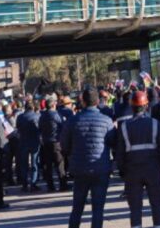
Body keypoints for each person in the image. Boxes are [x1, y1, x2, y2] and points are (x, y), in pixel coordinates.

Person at [62, 88, 116, 228]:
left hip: (80, 169)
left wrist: (72, 156)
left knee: (77, 207)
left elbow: (64, 145)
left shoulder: (73, 121)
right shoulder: (107, 121)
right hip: (100, 168)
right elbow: (113, 142)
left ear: (83, 102)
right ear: (98, 101)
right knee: (98, 209)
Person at [116, 91, 160, 228]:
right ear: (146, 106)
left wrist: (122, 171)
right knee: (157, 205)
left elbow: (120, 153)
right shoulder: (155, 124)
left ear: (132, 106)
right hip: (153, 170)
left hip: (132, 172)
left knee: (135, 208)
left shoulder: (124, 126)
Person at [39, 97, 68, 191]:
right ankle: (63, 185)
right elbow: (63, 126)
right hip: (56, 142)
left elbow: (40, 128)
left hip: (45, 142)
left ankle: (50, 186)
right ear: (53, 105)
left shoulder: (42, 116)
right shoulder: (56, 115)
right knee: (59, 164)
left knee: (48, 165)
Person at [16, 101, 41, 192]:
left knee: (24, 164)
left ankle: (24, 184)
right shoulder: (37, 116)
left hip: (23, 142)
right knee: (35, 164)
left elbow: (18, 128)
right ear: (33, 108)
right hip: (34, 142)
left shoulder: (20, 117)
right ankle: (33, 184)